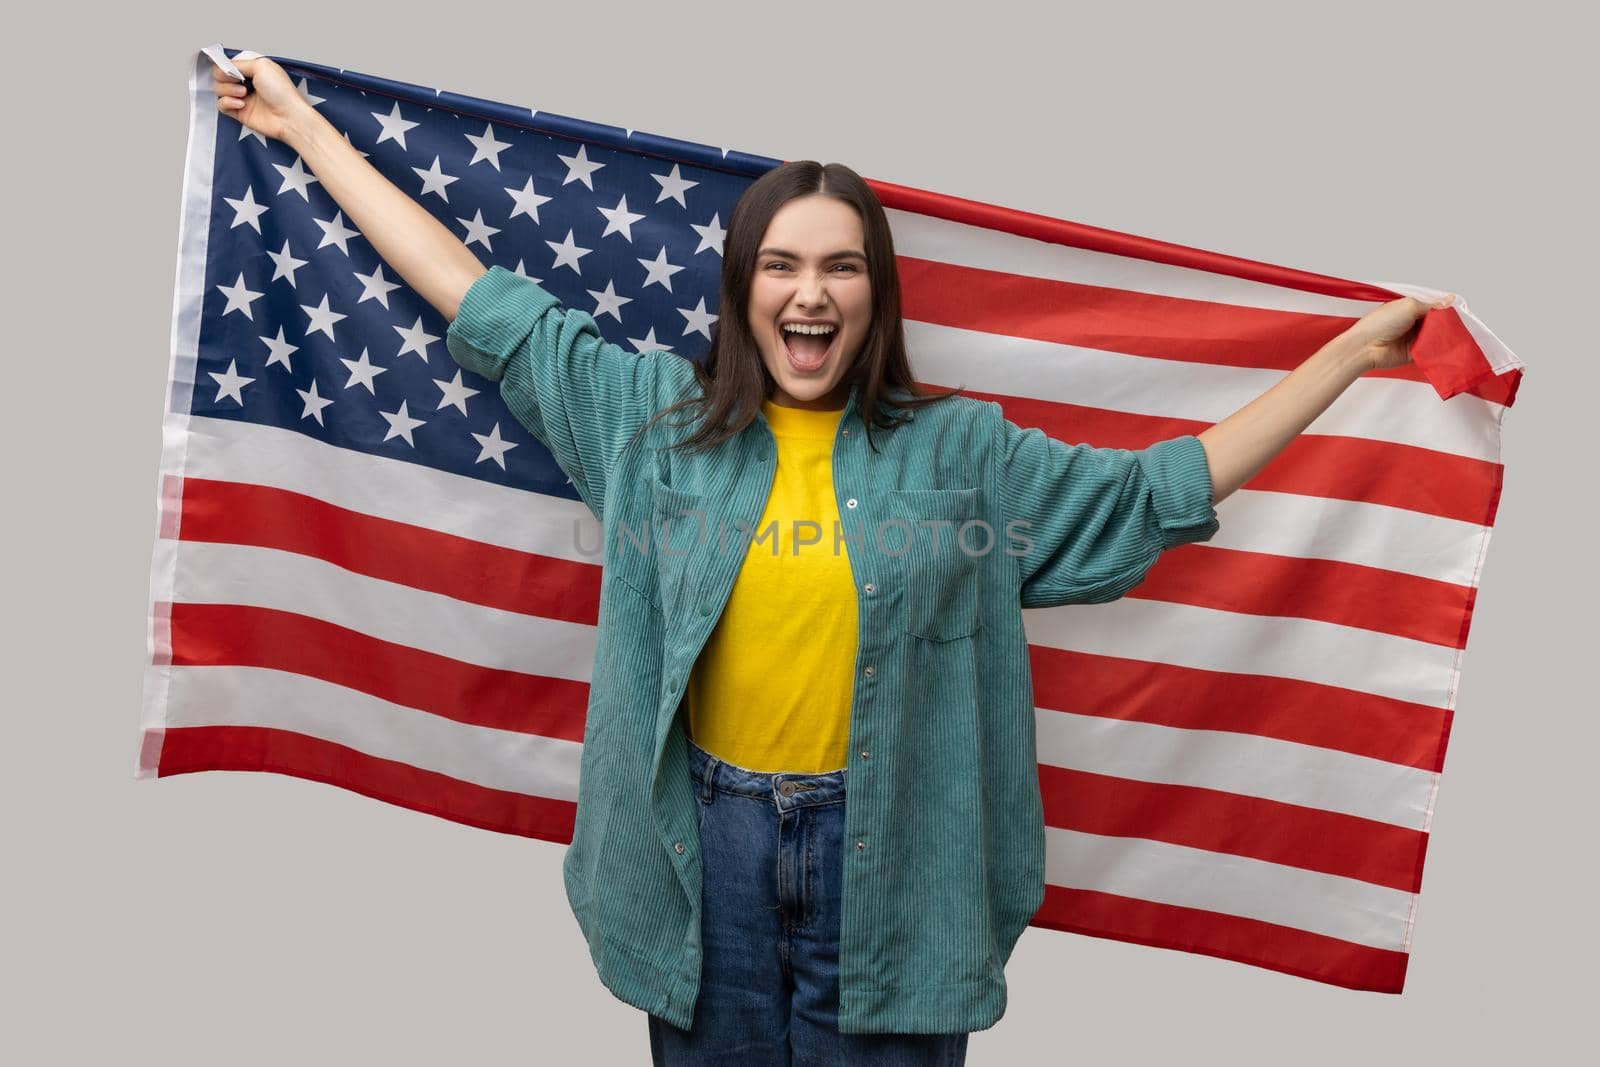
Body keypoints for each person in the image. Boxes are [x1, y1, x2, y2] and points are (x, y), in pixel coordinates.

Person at [213, 56, 1454, 1066]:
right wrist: (306, 132)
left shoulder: (962, 452)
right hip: (711, 858)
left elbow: (1153, 491)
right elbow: (482, 302)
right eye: (783, 263)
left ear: (876, 293)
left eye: (841, 264)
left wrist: (1344, 359)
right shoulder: (647, 422)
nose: (811, 292)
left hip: (896, 864)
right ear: (745, 286)